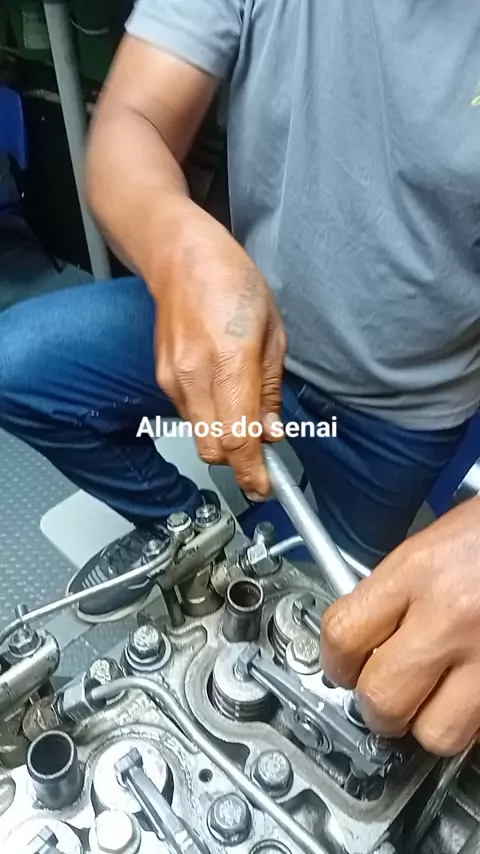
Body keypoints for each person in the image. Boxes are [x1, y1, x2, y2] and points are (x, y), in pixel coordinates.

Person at [0, 1, 479, 752]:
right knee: (19, 368)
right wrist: (179, 245)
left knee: (321, 633)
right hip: (235, 329)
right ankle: (194, 529)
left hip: (397, 416)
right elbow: (131, 120)